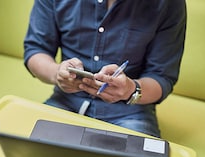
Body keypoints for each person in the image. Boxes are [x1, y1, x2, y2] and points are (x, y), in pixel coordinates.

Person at [24, 0, 186, 138]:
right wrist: (57, 73)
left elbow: (162, 77)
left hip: (130, 113)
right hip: (65, 102)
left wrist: (130, 89)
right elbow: (36, 49)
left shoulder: (168, 4)